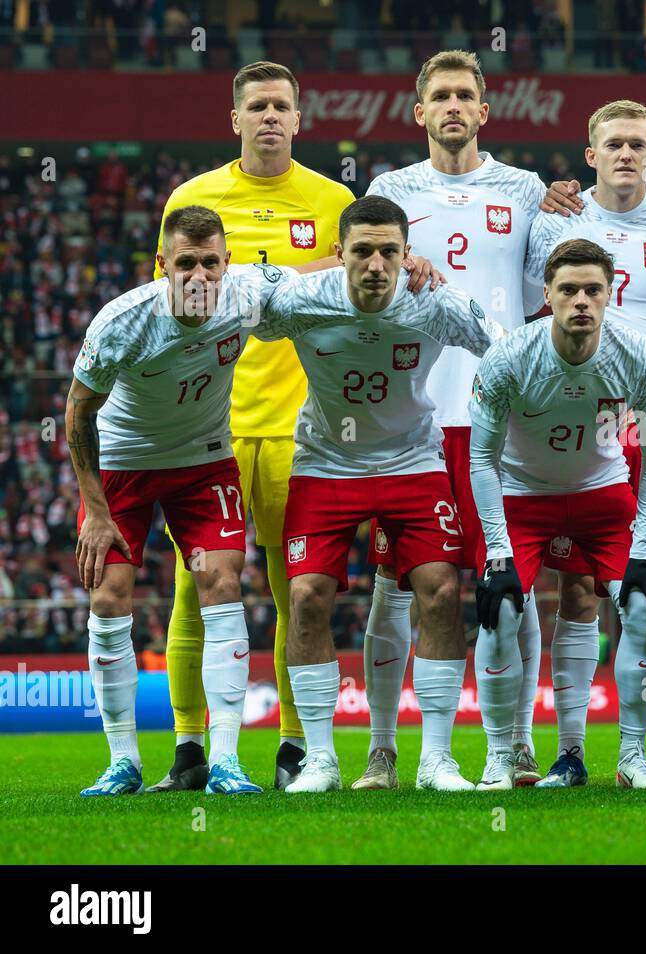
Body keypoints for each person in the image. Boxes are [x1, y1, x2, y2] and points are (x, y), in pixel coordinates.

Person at [150, 61, 357, 792]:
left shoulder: (335, 201)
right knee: (195, 585)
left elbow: (356, 302)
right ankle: (189, 747)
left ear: (300, 119)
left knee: (296, 587)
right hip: (211, 428)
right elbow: (166, 308)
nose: (270, 116)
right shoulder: (193, 198)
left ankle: (296, 747)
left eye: (282, 106)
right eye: (257, 106)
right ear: (234, 119)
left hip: (302, 429)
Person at [260, 195, 505, 794]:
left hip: (411, 461)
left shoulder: (435, 302)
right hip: (325, 463)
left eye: (389, 251)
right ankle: (320, 759)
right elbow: (239, 304)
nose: (375, 264)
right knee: (307, 596)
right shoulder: (302, 299)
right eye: (362, 251)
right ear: (339, 253)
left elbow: (506, 350)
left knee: (442, 591)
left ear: (406, 254)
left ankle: (436, 760)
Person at [356, 49, 549, 790]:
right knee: (396, 583)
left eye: (466, 94)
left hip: (502, 414)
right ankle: (382, 749)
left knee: (513, 579)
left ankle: (518, 742)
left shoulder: (526, 191)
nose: (453, 106)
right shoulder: (389, 190)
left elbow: (549, 289)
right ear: (420, 111)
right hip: (413, 420)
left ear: (484, 109)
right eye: (440, 95)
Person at [70, 205, 312, 796]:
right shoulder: (122, 321)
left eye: (211, 263)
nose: (200, 276)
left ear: (228, 264)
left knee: (224, 586)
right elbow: (78, 414)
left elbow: (325, 281)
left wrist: (399, 260)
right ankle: (123, 761)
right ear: (163, 266)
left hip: (203, 462)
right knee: (108, 595)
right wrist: (97, 513)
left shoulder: (247, 295)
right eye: (186, 264)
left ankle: (225, 761)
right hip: (125, 464)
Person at [524, 99, 646, 788]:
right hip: (584, 419)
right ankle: (572, 753)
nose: (626, 154)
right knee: (579, 587)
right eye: (613, 143)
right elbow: (530, 303)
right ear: (591, 154)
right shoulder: (559, 221)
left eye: (638, 143)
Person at [469, 238, 646, 790]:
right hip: (522, 497)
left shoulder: (643, 360)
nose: (580, 300)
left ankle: (634, 757)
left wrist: (645, 549)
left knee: (640, 604)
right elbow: (481, 460)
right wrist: (496, 551)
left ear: (610, 294)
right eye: (568, 290)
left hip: (601, 496)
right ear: (547, 294)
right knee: (502, 606)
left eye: (592, 290)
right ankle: (501, 755)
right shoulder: (509, 358)